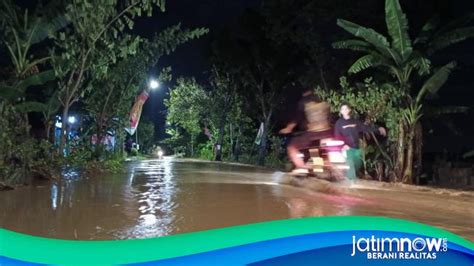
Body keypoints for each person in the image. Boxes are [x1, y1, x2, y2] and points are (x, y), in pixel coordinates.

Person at [280, 89, 332, 174]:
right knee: (314, 148)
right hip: (327, 133)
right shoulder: (324, 103)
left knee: (291, 147)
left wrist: (288, 128)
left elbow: (298, 117)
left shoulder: (305, 103)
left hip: (313, 134)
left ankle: (302, 167)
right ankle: (319, 167)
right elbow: (330, 119)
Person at [334, 103, 387, 180]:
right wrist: (343, 146)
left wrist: (378, 129)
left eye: (346, 109)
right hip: (346, 149)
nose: (344, 111)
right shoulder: (339, 123)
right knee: (350, 163)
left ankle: (349, 179)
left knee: (358, 164)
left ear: (349, 110)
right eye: (342, 109)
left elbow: (366, 128)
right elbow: (337, 137)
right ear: (341, 111)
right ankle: (351, 183)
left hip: (356, 148)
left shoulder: (355, 121)